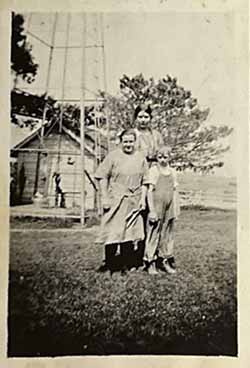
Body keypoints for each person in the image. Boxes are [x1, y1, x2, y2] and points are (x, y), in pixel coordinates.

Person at [95, 128, 148, 273]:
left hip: (134, 199)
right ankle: (109, 263)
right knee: (112, 231)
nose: (128, 144)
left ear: (135, 142)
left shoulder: (140, 157)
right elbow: (102, 176)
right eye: (125, 141)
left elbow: (145, 181)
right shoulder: (113, 156)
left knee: (129, 233)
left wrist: (143, 199)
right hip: (115, 199)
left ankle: (126, 264)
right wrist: (104, 197)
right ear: (120, 142)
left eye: (131, 141)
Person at [143, 145, 180, 275]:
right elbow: (149, 191)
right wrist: (152, 210)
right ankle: (150, 262)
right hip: (157, 207)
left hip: (169, 208)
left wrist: (176, 209)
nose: (163, 160)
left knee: (167, 235)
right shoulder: (154, 170)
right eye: (160, 157)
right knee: (154, 234)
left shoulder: (173, 172)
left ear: (170, 157)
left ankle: (164, 260)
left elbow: (175, 192)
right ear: (156, 158)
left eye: (165, 157)